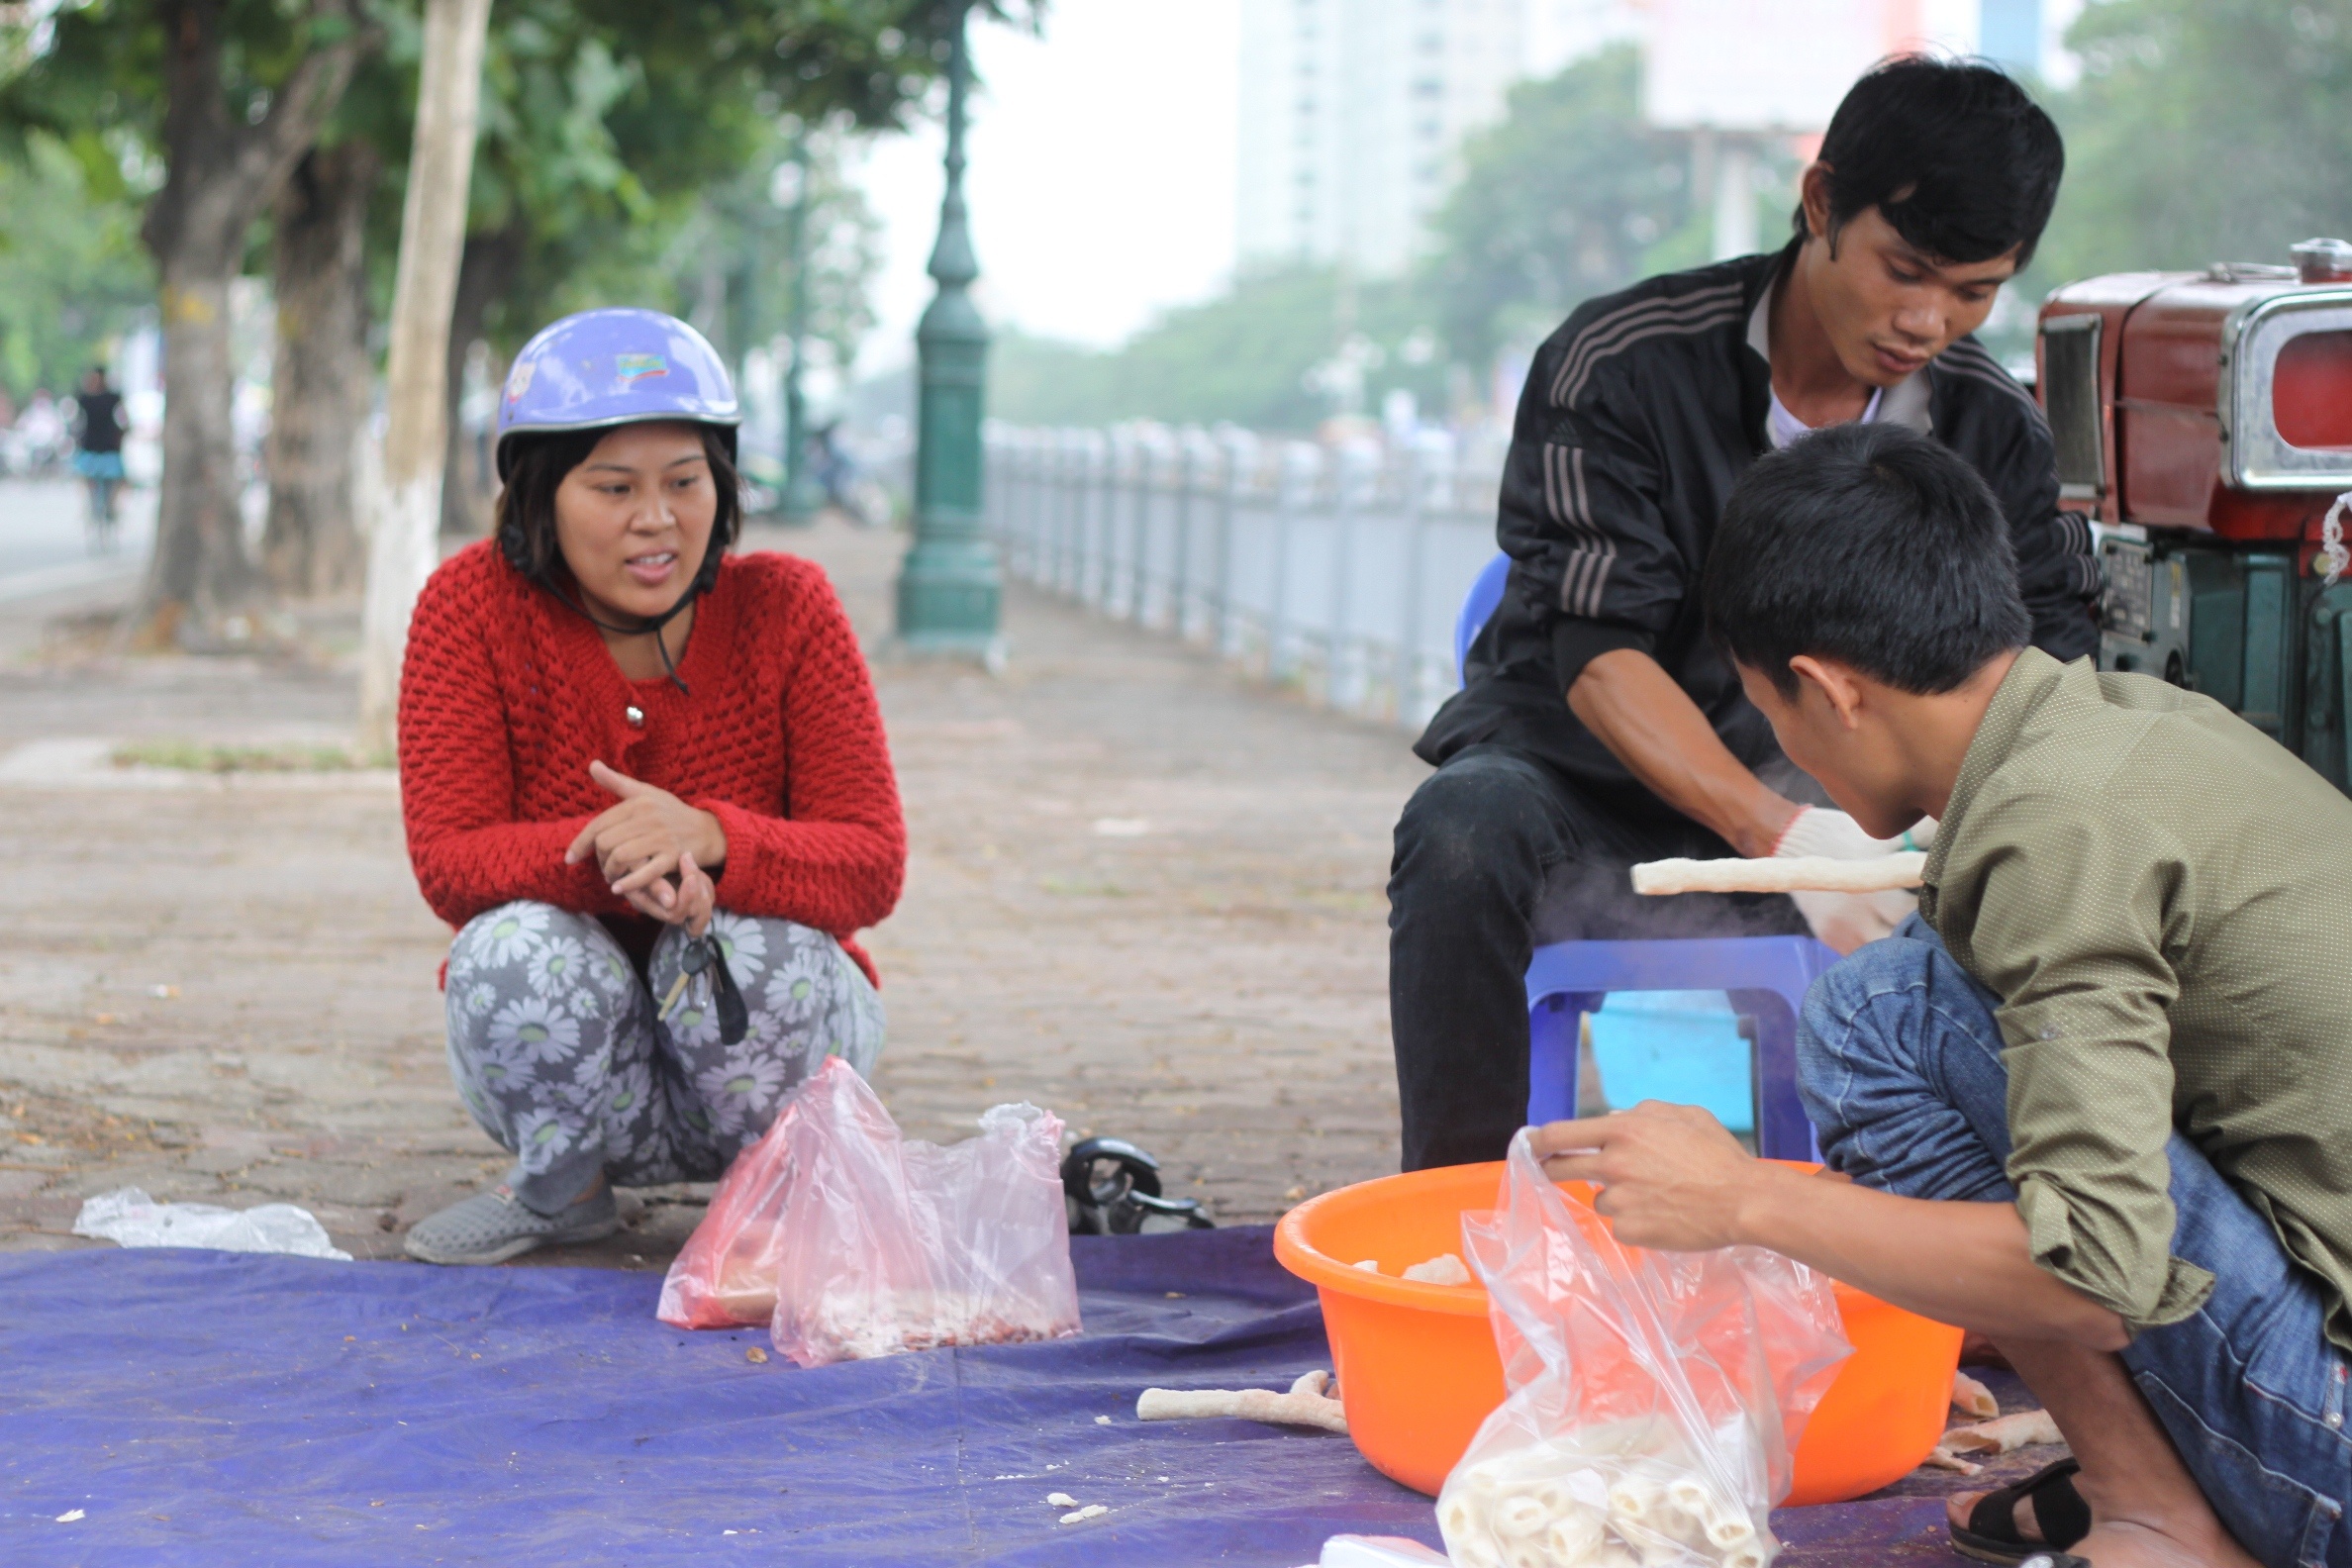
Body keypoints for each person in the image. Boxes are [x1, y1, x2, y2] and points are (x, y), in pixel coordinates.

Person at [1537, 421, 2352, 1568]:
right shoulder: (2125, 729)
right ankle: (2167, 1481)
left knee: (1884, 1014)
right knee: (1928, 979)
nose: (1786, 749)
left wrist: (1742, 1202)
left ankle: (2158, 1516)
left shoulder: (2054, 829)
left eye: (1772, 712)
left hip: (2336, 1446)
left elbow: (2102, 1280)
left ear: (1827, 689)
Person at [1389, 57, 2102, 1172]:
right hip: (1598, 800)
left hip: (1867, 833)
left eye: (1974, 291)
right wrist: (1780, 836)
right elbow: (1596, 653)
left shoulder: (1993, 429)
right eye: (1904, 269)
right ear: (1820, 205)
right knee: (1463, 829)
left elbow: (2043, 675)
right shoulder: (1618, 366)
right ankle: (1462, 1229)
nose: (1927, 320)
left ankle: (1967, 1253)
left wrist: (1920, 843)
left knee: (2049, 891)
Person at [397, 308, 907, 1265]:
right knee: (510, 948)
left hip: (761, 1062)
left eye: (685, 482)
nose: (656, 517)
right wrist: (627, 860)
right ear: (539, 493)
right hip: (579, 1087)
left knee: (756, 944)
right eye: (614, 487)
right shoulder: (466, 608)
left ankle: (776, 1195)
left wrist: (714, 838)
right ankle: (562, 1192)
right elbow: (450, 860)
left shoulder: (789, 607)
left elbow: (871, 863)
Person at [68, 367, 128, 547]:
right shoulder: (97, 398)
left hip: (102, 450)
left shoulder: (91, 398)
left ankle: (107, 509)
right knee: (103, 483)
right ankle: (105, 509)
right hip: (98, 449)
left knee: (107, 484)